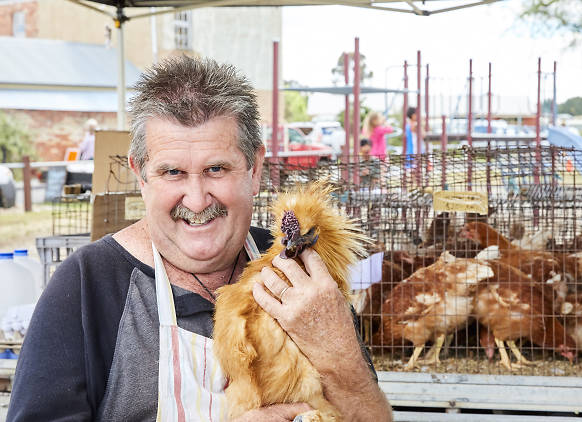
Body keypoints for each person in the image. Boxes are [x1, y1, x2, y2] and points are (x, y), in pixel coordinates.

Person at [8, 56, 391, 421]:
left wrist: (338, 351)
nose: (196, 199)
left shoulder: (297, 271)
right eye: (173, 172)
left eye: (216, 169)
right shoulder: (87, 285)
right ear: (140, 175)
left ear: (255, 169)